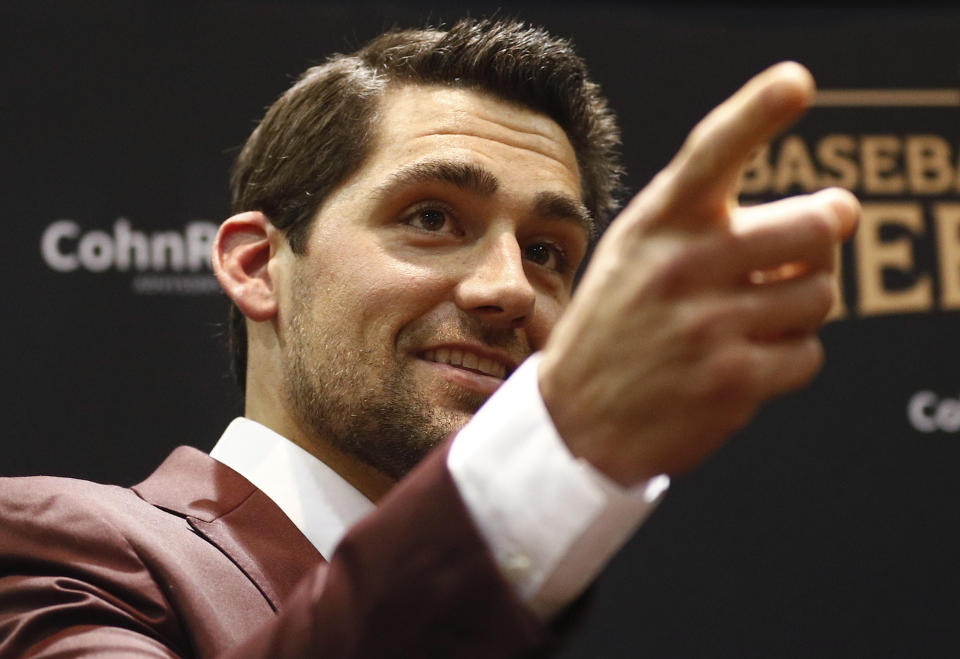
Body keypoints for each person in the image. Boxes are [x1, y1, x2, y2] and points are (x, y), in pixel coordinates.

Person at [0, 18, 858, 658]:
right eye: (433, 217)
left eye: (548, 251)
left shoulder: (521, 608)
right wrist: (564, 441)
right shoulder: (57, 549)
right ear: (259, 265)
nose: (510, 287)